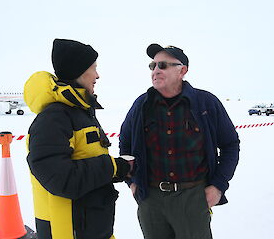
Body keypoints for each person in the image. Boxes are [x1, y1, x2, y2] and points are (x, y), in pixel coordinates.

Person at [119, 44, 240, 239]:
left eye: (163, 65)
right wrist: (132, 182)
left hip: (192, 197)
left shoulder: (206, 103)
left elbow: (230, 145)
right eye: (153, 66)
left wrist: (218, 185)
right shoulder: (141, 105)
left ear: (182, 70)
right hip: (151, 200)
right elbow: (125, 144)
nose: (156, 70)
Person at [24, 38, 131, 239]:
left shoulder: (79, 112)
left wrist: (118, 169)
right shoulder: (54, 118)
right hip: (67, 231)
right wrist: (112, 167)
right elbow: (61, 179)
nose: (97, 75)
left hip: (93, 227)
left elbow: (83, 162)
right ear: (78, 71)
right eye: (93, 68)